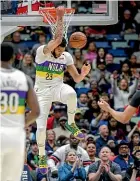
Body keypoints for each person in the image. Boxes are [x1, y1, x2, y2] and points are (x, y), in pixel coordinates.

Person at [34, 6, 91, 174]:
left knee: (72, 93)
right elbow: (58, 39)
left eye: (63, 50)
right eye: (58, 49)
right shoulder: (41, 52)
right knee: (41, 126)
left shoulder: (66, 56)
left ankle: (72, 123)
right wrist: (60, 17)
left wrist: (84, 73)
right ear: (53, 46)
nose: (60, 53)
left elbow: (77, 79)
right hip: (42, 92)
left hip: (58, 87)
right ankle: (42, 156)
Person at [0, 43, 40, 181]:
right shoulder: (24, 78)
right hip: (15, 136)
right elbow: (35, 112)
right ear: (13, 57)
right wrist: (22, 124)